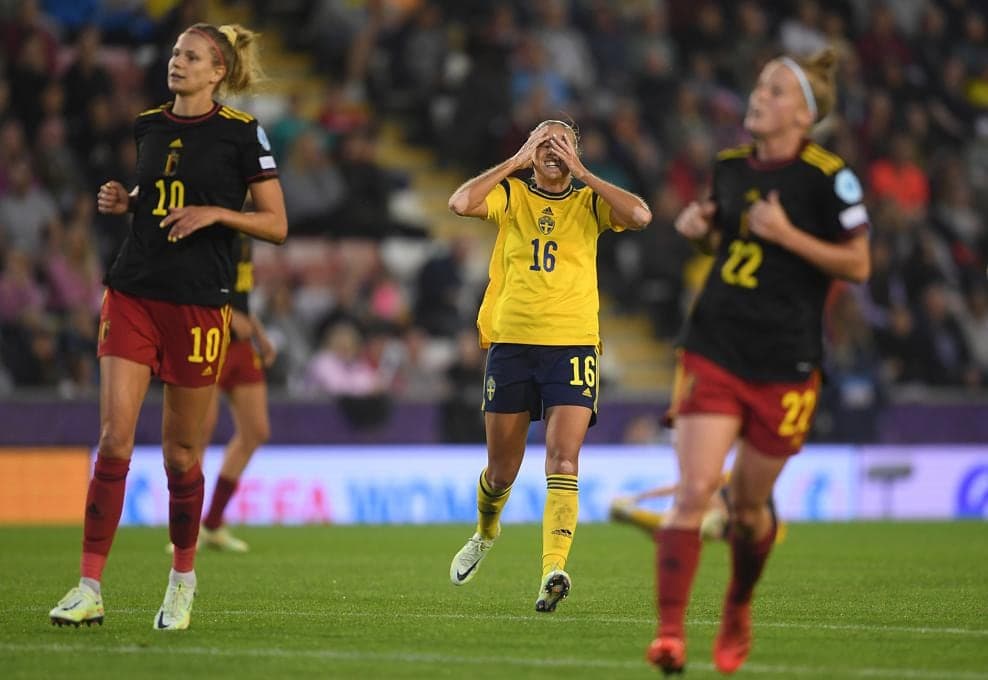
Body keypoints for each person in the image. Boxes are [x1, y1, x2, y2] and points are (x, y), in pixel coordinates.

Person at [49, 22, 287, 631]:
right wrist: (129, 201)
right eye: (177, 53)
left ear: (218, 72)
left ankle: (182, 580)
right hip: (133, 291)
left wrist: (215, 213)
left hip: (199, 303)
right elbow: (159, 188)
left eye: (193, 56)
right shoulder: (149, 125)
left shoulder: (242, 133)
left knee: (181, 455)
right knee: (113, 440)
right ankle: (88, 587)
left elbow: (276, 224)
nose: (178, 62)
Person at [647, 47, 870, 674]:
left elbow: (859, 264)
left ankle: (738, 605)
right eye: (760, 87)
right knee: (695, 490)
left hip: (785, 360)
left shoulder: (830, 177)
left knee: (747, 512)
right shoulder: (728, 168)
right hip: (716, 344)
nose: (758, 97)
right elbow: (725, 242)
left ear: (803, 114)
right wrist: (701, 232)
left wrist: (788, 234)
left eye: (775, 91)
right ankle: (670, 635)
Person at [446, 119, 652, 612]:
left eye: (563, 142)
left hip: (573, 345)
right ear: (530, 150)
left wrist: (585, 173)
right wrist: (515, 162)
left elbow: (641, 215)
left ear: (575, 151)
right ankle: (486, 531)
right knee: (501, 471)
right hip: (512, 344)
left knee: (563, 459)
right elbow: (460, 203)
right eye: (544, 141)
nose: (553, 149)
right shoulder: (512, 195)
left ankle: (552, 569)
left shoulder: (589, 202)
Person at [170, 233, 276, 553]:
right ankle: (185, 531)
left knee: (256, 431)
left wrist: (258, 333)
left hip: (240, 346)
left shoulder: (245, 233)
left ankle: (213, 523)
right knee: (199, 433)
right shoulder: (212, 227)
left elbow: (238, 295)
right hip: (210, 336)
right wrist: (229, 315)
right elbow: (191, 282)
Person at [609, 475, 787, 545]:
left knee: (676, 530)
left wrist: (638, 498)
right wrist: (639, 497)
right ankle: (632, 514)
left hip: (739, 525)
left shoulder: (726, 483)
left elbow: (678, 488)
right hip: (731, 524)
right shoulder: (729, 480)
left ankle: (631, 514)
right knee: (677, 530)